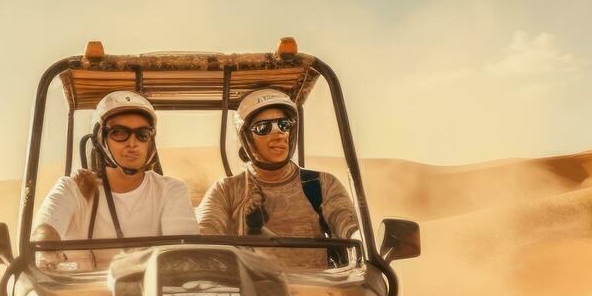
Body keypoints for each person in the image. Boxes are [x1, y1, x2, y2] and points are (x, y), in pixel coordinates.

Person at [31, 90, 198, 269]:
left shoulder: (171, 190)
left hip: (151, 294)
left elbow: (183, 252)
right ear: (100, 140)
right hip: (83, 294)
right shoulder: (74, 188)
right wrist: (46, 251)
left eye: (142, 134)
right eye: (119, 133)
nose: (132, 143)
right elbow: (45, 231)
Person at [196, 87, 360, 268]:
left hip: (318, 290)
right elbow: (204, 234)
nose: (278, 133)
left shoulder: (321, 184)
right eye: (263, 128)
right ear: (246, 138)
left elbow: (349, 227)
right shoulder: (226, 190)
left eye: (284, 125)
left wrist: (358, 238)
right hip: (251, 292)